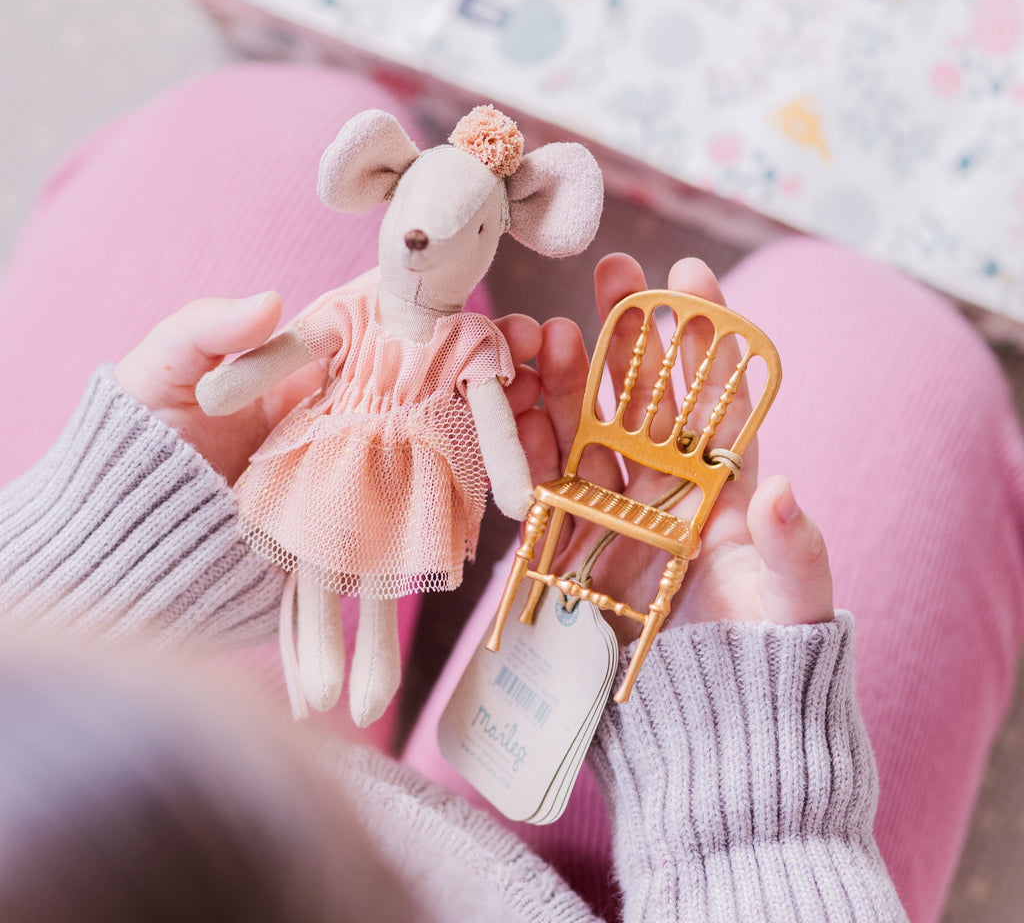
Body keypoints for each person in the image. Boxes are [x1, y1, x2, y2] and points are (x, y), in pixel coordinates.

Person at [1, 62, 1022, 921]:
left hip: (146, 737)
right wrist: (752, 813)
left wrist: (105, 559)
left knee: (271, 124)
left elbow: (452, 407)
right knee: (885, 343)